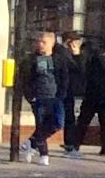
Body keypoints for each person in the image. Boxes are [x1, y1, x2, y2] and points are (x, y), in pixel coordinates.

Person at [23, 30, 63, 165]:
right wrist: (30, 96)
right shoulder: (32, 60)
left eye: (44, 42)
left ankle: (31, 142)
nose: (41, 45)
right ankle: (43, 154)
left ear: (52, 44)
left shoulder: (58, 59)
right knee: (40, 124)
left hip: (55, 97)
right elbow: (26, 79)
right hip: (39, 97)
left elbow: (66, 77)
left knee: (58, 123)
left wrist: (61, 94)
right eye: (39, 42)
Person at [76, 38, 105, 156]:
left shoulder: (96, 61)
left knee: (85, 121)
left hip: (97, 96)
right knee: (101, 122)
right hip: (98, 96)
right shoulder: (99, 60)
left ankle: (75, 144)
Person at [56, 31, 85, 153]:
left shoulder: (66, 53)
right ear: (69, 42)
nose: (78, 45)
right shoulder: (62, 53)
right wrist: (77, 55)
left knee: (69, 117)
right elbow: (78, 69)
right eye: (76, 42)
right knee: (61, 117)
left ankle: (69, 142)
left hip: (69, 89)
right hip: (63, 89)